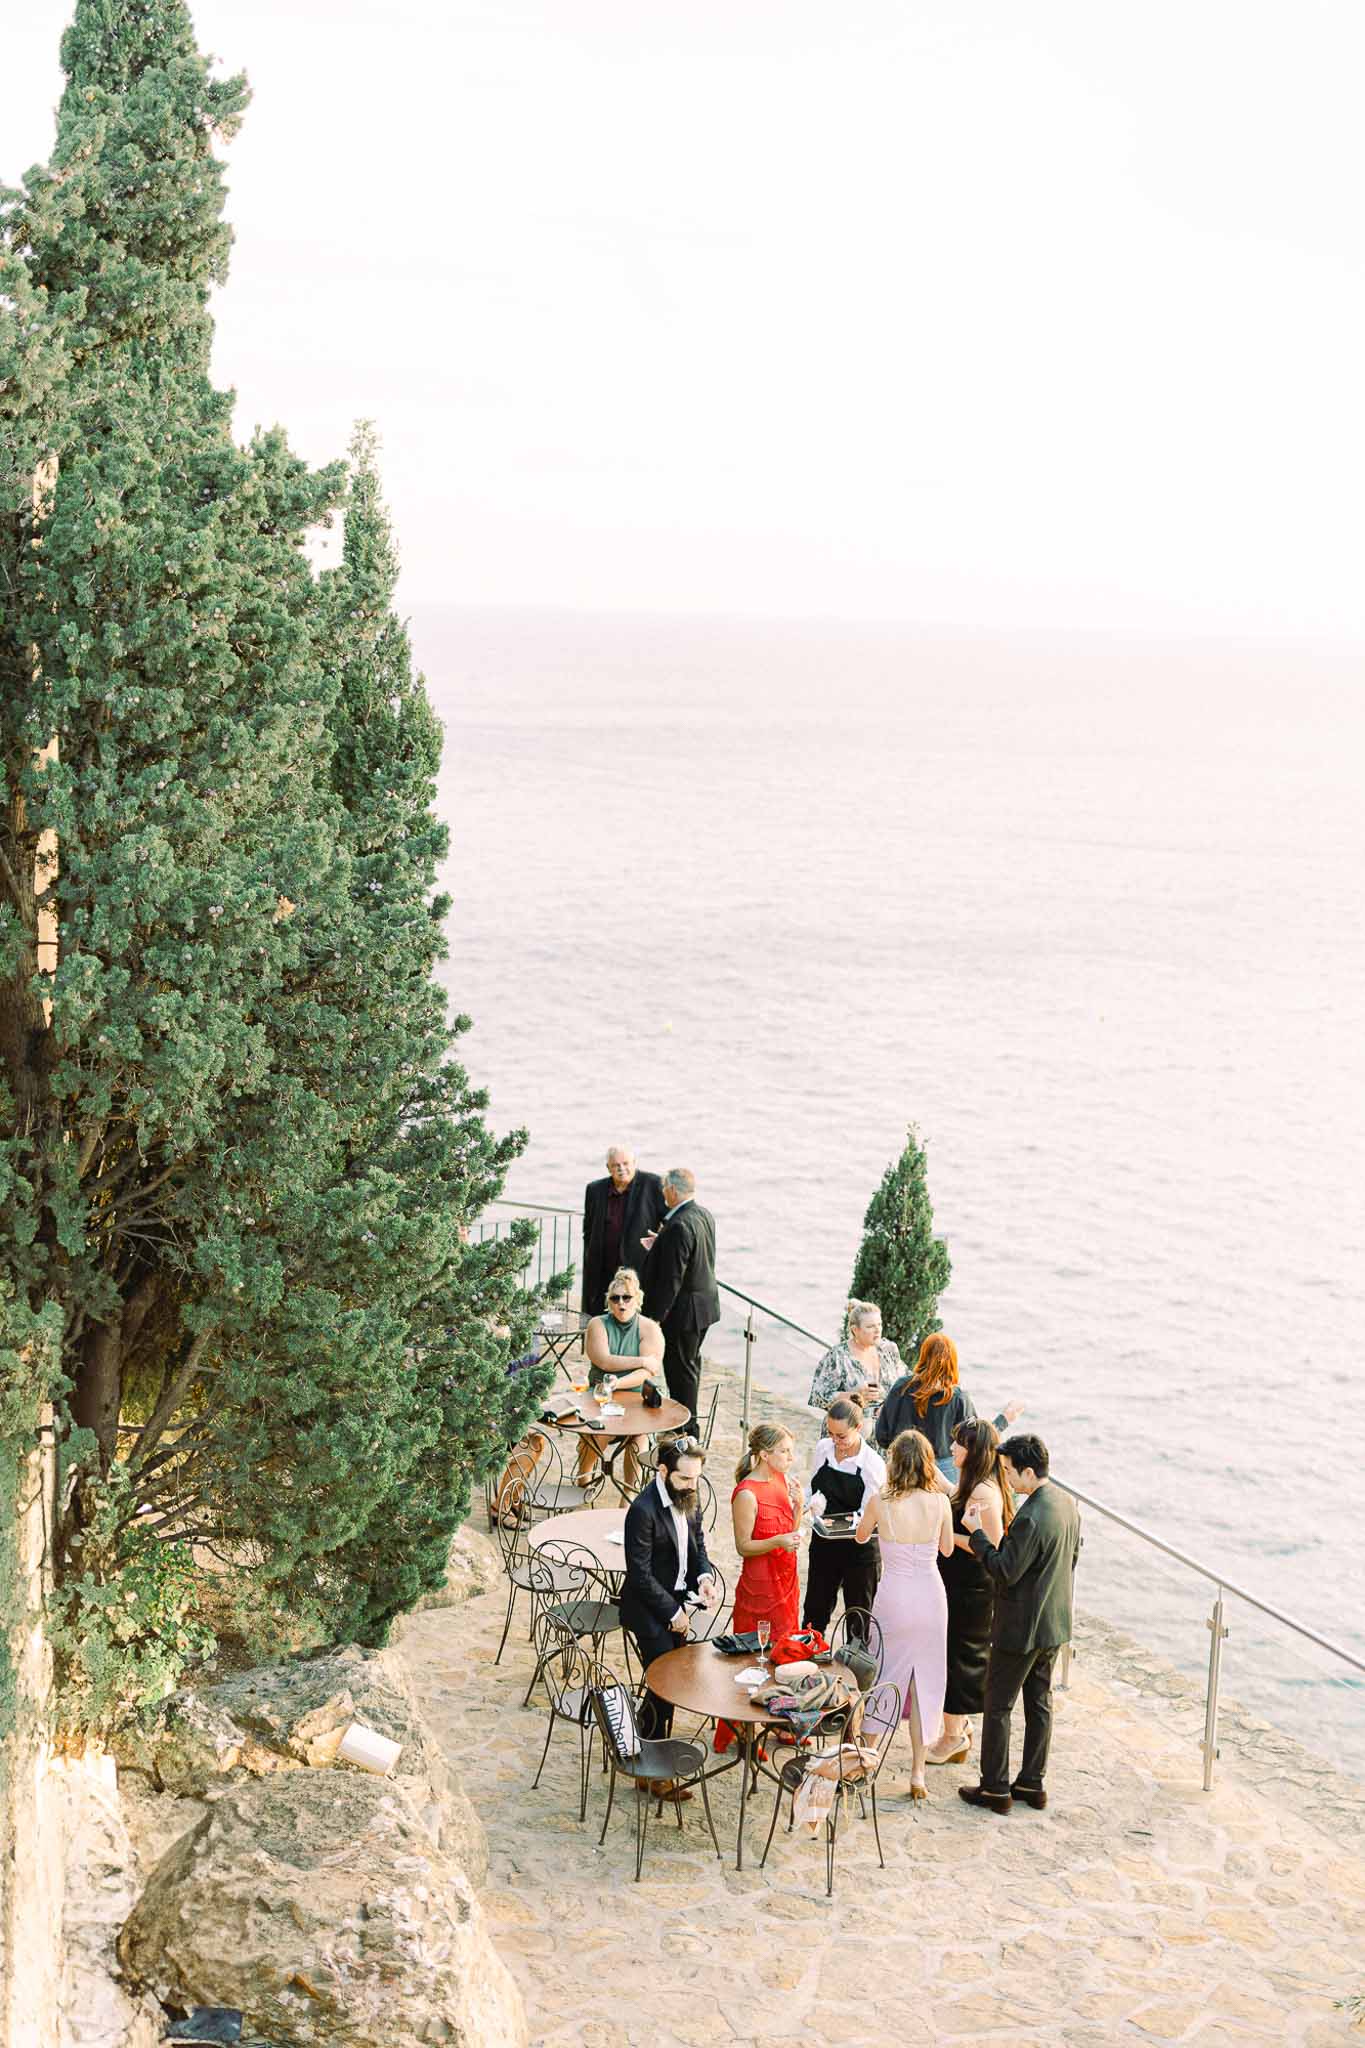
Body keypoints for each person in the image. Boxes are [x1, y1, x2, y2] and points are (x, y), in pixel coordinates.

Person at [958, 1431, 1081, 1815]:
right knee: (1039, 1704)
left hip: (1020, 1627)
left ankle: (995, 1788)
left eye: (1010, 1471)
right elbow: (1072, 1558)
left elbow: (1004, 1570)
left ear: (1029, 1472)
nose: (1007, 1479)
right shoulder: (1066, 1503)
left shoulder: (1030, 1517)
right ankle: (1032, 1782)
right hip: (1054, 1622)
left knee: (998, 1705)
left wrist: (977, 1535)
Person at [856, 1428, 954, 1800]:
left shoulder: (880, 1500)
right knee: (924, 1683)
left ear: (894, 1462)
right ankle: (917, 1774)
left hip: (894, 1596)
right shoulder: (940, 1502)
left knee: (884, 1675)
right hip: (929, 1596)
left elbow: (861, 1537)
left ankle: (867, 1760)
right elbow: (947, 1550)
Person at [620, 1437, 719, 1780]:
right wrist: (674, 1615)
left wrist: (704, 1578)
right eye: (684, 1478)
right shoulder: (642, 1510)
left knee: (667, 1685)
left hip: (679, 1599)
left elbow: (698, 1544)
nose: (692, 1485)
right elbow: (640, 1575)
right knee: (664, 1684)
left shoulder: (688, 1493)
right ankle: (650, 1767)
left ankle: (643, 1751)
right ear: (663, 1471)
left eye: (696, 1478)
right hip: (648, 1609)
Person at [925, 1416, 1014, 1769]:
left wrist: (944, 1535)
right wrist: (940, 1481)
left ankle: (953, 1737)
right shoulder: (972, 1483)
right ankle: (958, 1726)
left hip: (971, 1589)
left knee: (956, 1660)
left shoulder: (984, 1492)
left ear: (973, 1450)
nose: (951, 1448)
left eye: (958, 1443)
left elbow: (991, 1545)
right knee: (950, 1654)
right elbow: (959, 1503)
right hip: (959, 1583)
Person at [874, 1332, 1021, 1484]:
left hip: (903, 1465)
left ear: (923, 1355)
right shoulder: (958, 1398)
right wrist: (1004, 1420)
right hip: (945, 1471)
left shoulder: (901, 1387)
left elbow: (882, 1436)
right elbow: (976, 1441)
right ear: (952, 1361)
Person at [639, 1168, 719, 1434]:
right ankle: (687, 1425)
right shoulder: (703, 1214)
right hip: (704, 1307)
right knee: (690, 1366)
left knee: (680, 1372)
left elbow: (671, 1279)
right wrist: (661, 1244)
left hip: (684, 1313)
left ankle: (685, 1430)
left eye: (664, 1188)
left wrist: (654, 1318)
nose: (663, 1193)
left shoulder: (678, 1225)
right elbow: (694, 1255)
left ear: (672, 1190)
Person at [803, 1397, 887, 1641]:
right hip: (824, 1542)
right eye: (831, 1434)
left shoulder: (873, 1464)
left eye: (841, 1436)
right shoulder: (823, 1449)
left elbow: (869, 1515)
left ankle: (855, 1658)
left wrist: (838, 1525)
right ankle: (809, 1651)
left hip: (860, 1548)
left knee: (858, 1617)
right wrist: (806, 1503)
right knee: (815, 1609)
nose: (835, 1441)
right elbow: (813, 1488)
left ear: (858, 1428)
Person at [575, 1266, 665, 1489]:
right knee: (600, 1430)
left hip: (635, 1398)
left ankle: (629, 1495)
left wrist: (618, 1383)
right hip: (600, 1395)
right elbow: (604, 1361)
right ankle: (584, 1477)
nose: (621, 1303)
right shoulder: (598, 1324)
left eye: (627, 1297)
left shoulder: (649, 1328)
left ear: (637, 1299)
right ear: (609, 1301)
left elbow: (646, 1373)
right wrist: (642, 1360)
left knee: (639, 1437)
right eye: (615, 1298)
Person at [581, 1148, 666, 1324]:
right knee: (600, 1318)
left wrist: (660, 1241)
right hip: (603, 1268)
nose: (621, 1169)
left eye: (625, 1164)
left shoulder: (653, 1184)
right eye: (616, 1165)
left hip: (638, 1269)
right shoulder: (594, 1189)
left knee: (635, 1319)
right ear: (608, 1168)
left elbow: (669, 1220)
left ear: (634, 1163)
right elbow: (588, 1229)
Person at [808, 1300, 903, 1433]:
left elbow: (903, 1384)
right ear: (855, 1330)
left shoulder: (888, 1349)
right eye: (870, 1326)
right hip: (847, 1433)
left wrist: (889, 1405)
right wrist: (854, 1396)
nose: (877, 1330)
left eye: (879, 1324)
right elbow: (818, 1397)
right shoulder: (838, 1356)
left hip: (885, 1431)